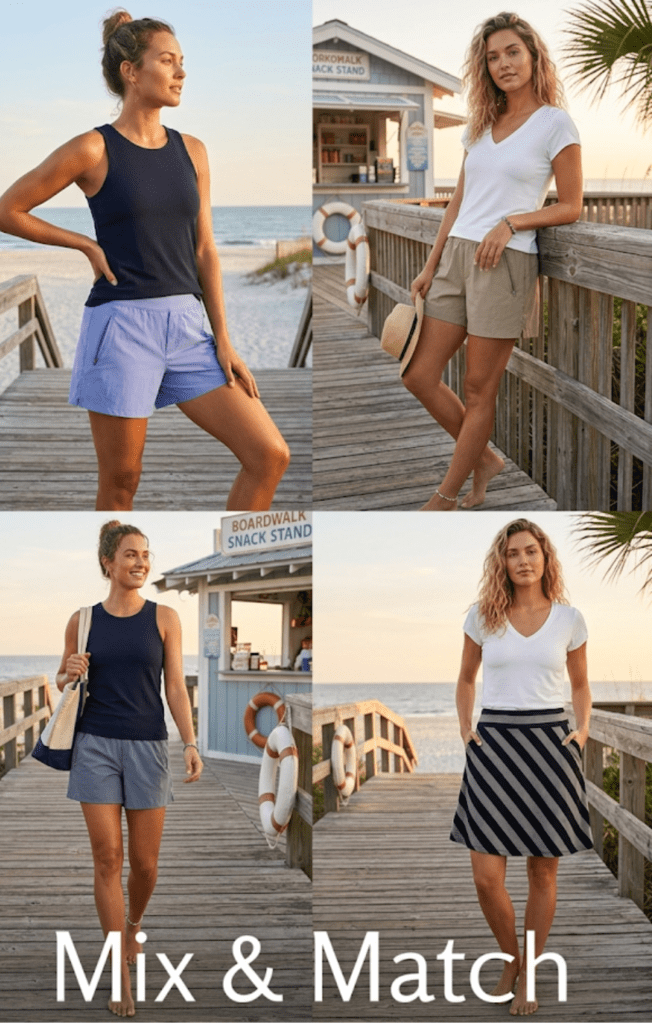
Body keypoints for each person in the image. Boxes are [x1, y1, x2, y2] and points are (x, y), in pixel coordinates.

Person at [0, 11, 290, 513]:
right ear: (131, 71)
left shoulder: (192, 150)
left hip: (189, 328)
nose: (181, 73)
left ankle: (236, 549)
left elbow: (205, 250)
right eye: (167, 61)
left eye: (182, 62)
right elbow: (5, 212)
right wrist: (84, 244)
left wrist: (225, 339)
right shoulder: (93, 147)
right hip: (122, 324)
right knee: (123, 480)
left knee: (269, 454)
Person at [405, 12, 582, 510]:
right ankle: (483, 459)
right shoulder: (481, 125)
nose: (503, 64)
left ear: (533, 56)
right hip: (457, 257)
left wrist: (512, 223)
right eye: (493, 57)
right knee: (417, 373)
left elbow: (571, 205)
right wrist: (430, 264)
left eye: (512, 52)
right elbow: (458, 202)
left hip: (505, 263)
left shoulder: (555, 122)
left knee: (479, 389)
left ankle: (446, 494)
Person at [57, 520, 202, 1017]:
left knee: (145, 865)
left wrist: (190, 742)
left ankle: (134, 923)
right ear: (108, 563)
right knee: (107, 859)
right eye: (130, 555)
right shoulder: (82, 619)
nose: (141, 562)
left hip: (147, 746)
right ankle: (118, 968)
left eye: (145, 555)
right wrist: (68, 671)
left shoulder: (165, 617)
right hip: (94, 744)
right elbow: (62, 677)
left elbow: (176, 687)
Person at [450, 518, 592, 1015]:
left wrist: (583, 729)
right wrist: (466, 730)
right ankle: (510, 956)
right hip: (495, 748)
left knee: (542, 871)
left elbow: (579, 684)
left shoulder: (570, 619)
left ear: (545, 558)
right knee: (486, 876)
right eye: (514, 553)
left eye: (532, 551)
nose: (524, 560)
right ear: (503, 563)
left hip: (550, 749)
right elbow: (466, 679)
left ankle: (528, 971)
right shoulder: (482, 617)